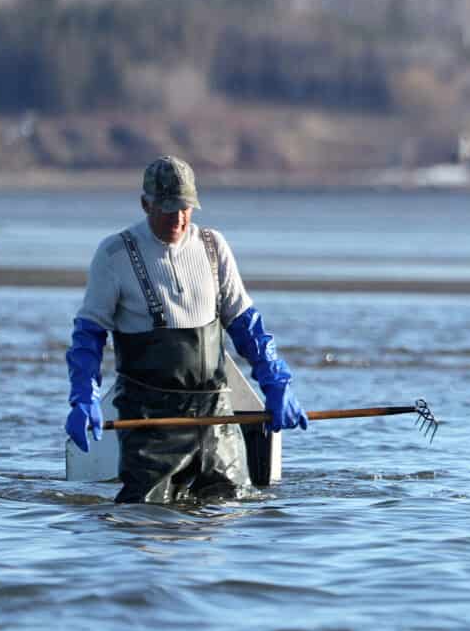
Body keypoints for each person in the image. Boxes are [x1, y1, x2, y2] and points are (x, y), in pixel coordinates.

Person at [63, 155, 307, 503]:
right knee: (144, 514)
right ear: (145, 204)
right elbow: (89, 335)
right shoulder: (114, 254)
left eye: (185, 208)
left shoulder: (213, 246)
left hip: (215, 419)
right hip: (150, 425)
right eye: (167, 209)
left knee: (235, 507)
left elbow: (246, 325)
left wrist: (276, 382)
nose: (178, 218)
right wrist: (84, 396)